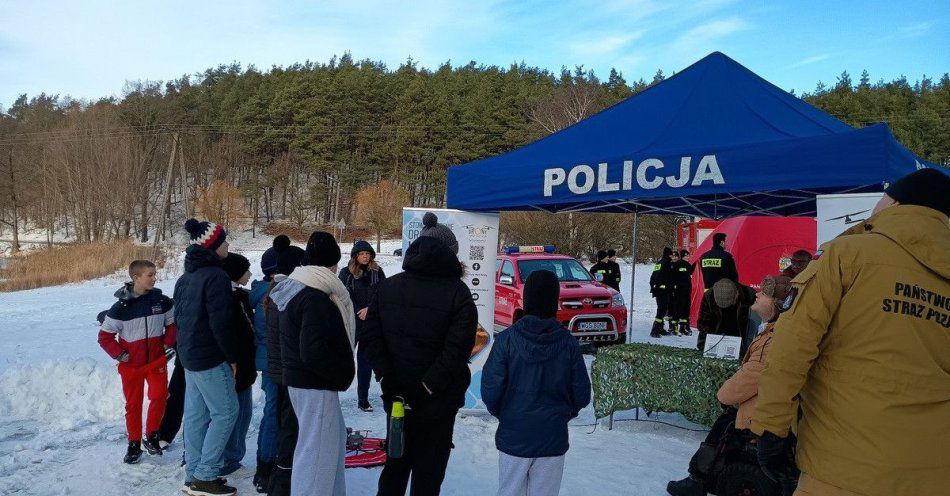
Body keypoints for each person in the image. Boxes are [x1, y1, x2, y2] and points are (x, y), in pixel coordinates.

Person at [751, 168, 950, 496]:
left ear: (894, 203)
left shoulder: (848, 255)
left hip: (843, 467)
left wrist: (771, 428)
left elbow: (790, 348)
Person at [362, 212, 478, 496]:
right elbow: (459, 350)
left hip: (399, 395)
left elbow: (371, 338)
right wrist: (427, 385)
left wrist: (387, 376)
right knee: (429, 470)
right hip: (437, 399)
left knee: (396, 462)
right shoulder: (458, 293)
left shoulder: (387, 287)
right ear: (451, 255)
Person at [667, 275, 793, 496]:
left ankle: (697, 479)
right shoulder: (779, 330)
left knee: (723, 425)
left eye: (763, 293)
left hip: (763, 412)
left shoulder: (773, 339)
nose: (757, 294)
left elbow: (751, 377)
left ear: (774, 303)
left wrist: (724, 395)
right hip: (771, 407)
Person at [481, 270, 592, 496]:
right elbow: (581, 394)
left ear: (527, 298)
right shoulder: (568, 343)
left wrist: (509, 414)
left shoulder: (506, 340)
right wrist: (560, 414)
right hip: (551, 436)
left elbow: (491, 391)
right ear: (554, 300)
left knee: (510, 492)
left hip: (515, 434)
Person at [270, 231, 355, 496]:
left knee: (328, 447)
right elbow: (314, 350)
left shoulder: (294, 287)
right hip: (314, 383)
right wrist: (341, 375)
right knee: (317, 455)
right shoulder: (315, 296)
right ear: (331, 264)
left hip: (300, 380)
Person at [175, 218, 239, 496]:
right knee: (226, 412)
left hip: (189, 355)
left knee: (196, 415)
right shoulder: (216, 277)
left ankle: (194, 471)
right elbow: (222, 322)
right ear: (212, 247)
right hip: (209, 357)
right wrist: (233, 356)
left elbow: (179, 318)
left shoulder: (185, 277)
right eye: (224, 241)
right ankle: (205, 474)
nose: (228, 245)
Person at [98, 260, 176, 464]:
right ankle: (133, 444)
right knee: (133, 404)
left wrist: (168, 343)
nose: (154, 278)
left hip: (156, 361)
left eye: (154, 274)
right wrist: (120, 355)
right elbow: (104, 337)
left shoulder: (162, 301)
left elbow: (172, 324)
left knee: (159, 396)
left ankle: (152, 436)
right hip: (131, 366)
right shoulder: (119, 308)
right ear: (136, 278)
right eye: (149, 275)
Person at [249, 234, 303, 492]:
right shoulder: (274, 294)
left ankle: (267, 465)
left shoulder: (260, 292)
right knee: (275, 414)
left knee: (273, 412)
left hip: (269, 362)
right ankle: (268, 467)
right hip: (278, 363)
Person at [263, 237, 306, 496]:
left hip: (279, 370)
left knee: (281, 421)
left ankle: (275, 471)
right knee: (287, 427)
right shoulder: (288, 295)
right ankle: (280, 480)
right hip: (288, 372)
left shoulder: (276, 291)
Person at [220, 253, 258, 478]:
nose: (250, 274)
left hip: (243, 365)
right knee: (236, 413)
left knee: (242, 412)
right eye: (246, 270)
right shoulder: (232, 300)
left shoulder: (240, 296)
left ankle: (232, 455)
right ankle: (229, 458)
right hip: (236, 365)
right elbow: (242, 332)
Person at [339, 239, 387, 413]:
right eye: (362, 254)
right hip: (351, 321)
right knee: (343, 358)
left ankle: (363, 398)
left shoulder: (377, 272)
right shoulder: (346, 273)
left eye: (368, 254)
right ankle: (334, 393)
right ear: (355, 256)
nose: (365, 257)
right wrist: (359, 309)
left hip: (371, 323)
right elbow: (343, 296)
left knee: (365, 361)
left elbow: (383, 293)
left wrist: (370, 309)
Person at [695, 278, 756, 353]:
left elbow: (755, 326)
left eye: (729, 303)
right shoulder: (709, 296)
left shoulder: (750, 296)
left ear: (737, 294)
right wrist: (712, 341)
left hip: (741, 337)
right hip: (715, 335)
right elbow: (702, 324)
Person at [649, 247, 675, 337]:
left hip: (657, 290)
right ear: (669, 255)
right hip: (664, 291)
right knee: (662, 310)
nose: (672, 257)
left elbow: (653, 276)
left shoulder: (659, 263)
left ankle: (660, 328)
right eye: (671, 255)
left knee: (661, 309)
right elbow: (669, 278)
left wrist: (653, 287)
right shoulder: (667, 263)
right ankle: (655, 330)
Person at [669, 250, 695, 336]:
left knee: (685, 310)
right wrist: (673, 289)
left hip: (687, 291)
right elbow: (672, 278)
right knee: (677, 309)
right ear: (683, 256)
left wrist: (696, 262)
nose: (688, 257)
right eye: (687, 255)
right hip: (679, 291)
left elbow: (691, 271)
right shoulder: (677, 264)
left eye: (689, 255)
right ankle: (674, 328)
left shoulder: (688, 265)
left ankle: (683, 328)